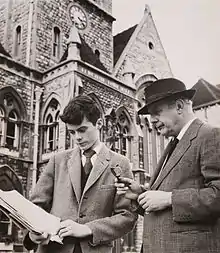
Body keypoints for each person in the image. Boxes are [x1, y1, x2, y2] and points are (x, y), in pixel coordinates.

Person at [115, 78, 220, 253]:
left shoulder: (210, 136)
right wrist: (139, 195)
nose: (153, 120)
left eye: (157, 112)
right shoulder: (173, 144)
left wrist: (169, 198)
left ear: (179, 106)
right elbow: (164, 210)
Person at [23, 95, 137, 253]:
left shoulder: (120, 163)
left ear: (99, 124)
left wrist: (88, 229)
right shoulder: (57, 161)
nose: (77, 137)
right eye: (72, 132)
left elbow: (127, 217)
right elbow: (35, 207)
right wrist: (34, 233)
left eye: (82, 130)